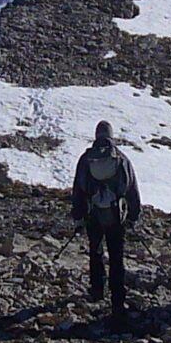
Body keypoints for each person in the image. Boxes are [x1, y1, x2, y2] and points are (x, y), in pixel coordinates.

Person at [68, 120, 142, 321]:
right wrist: (133, 215)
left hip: (94, 214)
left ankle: (97, 290)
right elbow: (131, 187)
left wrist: (78, 215)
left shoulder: (86, 159)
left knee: (96, 250)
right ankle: (117, 299)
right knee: (116, 256)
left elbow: (79, 189)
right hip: (116, 216)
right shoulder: (121, 158)